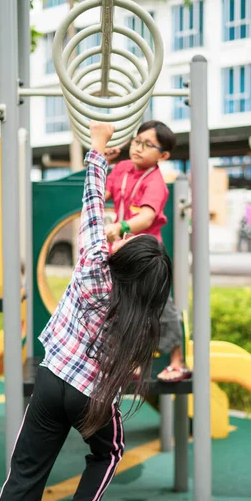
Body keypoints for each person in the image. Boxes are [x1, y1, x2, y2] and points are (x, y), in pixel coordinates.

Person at [0, 121, 172, 501]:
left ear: (123, 258)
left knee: (25, 472)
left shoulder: (91, 264)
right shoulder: (138, 318)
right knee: (109, 450)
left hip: (49, 382)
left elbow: (90, 202)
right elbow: (124, 366)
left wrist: (98, 148)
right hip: (89, 399)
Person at [104, 120, 191, 383]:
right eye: (136, 141)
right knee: (122, 305)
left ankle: (178, 362)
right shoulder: (121, 168)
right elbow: (104, 192)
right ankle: (132, 363)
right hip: (122, 250)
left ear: (163, 155)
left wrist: (120, 225)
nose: (138, 148)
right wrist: (102, 164)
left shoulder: (156, 183)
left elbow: (146, 217)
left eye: (147, 145)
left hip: (147, 254)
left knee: (160, 305)